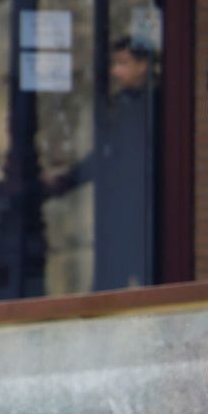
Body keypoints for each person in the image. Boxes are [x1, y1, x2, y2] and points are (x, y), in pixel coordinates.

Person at [45, 36, 157, 289]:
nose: (115, 72)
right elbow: (104, 157)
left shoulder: (157, 106)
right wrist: (68, 179)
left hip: (145, 213)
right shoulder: (121, 105)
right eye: (114, 63)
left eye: (123, 63)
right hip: (118, 212)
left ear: (144, 65)